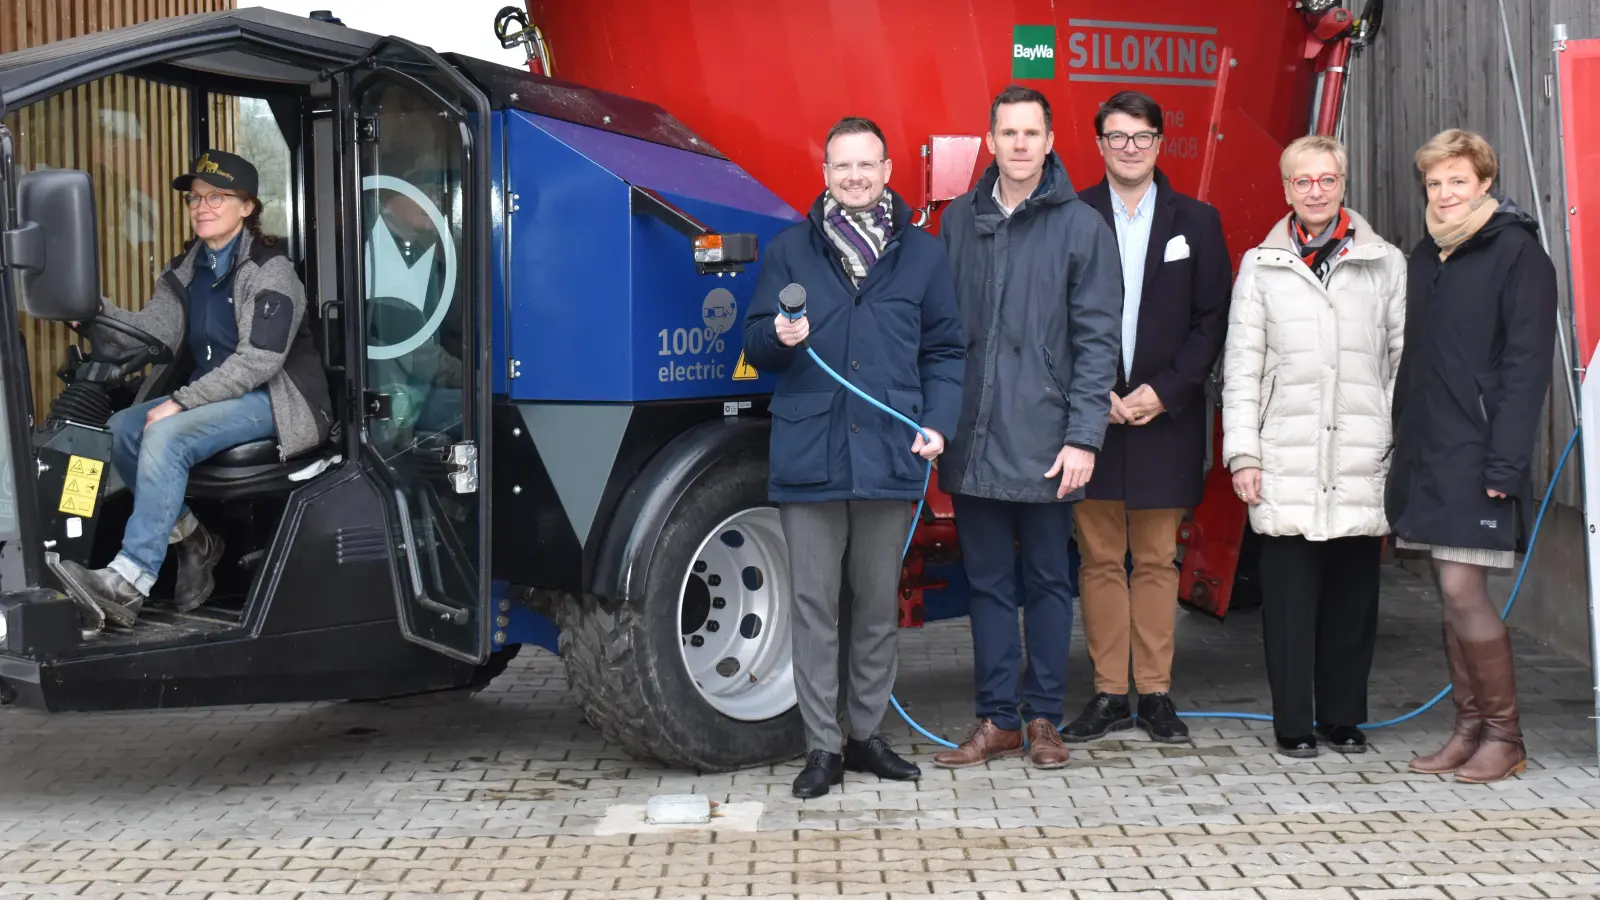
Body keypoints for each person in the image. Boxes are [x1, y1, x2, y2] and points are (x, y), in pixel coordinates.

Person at [741, 116, 965, 798]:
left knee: (874, 605)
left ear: (888, 171)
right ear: (826, 174)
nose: (856, 176)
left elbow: (947, 349)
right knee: (814, 605)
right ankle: (822, 748)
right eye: (843, 166)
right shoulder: (790, 249)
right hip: (811, 452)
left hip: (891, 454)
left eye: (868, 165)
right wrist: (779, 335)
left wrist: (937, 423)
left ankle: (865, 736)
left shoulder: (922, 254)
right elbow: (754, 343)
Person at [53, 150, 334, 627]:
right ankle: (195, 542)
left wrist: (182, 401)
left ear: (247, 207)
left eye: (216, 197)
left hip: (274, 401)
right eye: (195, 198)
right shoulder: (187, 270)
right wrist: (91, 311)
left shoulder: (272, 272)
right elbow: (154, 331)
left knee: (165, 432)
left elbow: (260, 361)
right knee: (123, 427)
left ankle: (129, 580)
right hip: (216, 396)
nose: (201, 206)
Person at [932, 85, 1123, 769]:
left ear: (1049, 142)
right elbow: (943, 332)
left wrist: (1084, 436)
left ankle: (1043, 718)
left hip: (1048, 442)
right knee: (986, 583)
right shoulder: (958, 221)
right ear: (990, 141)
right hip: (977, 436)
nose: (1018, 144)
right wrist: (938, 420)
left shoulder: (1082, 229)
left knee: (1046, 580)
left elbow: (1098, 343)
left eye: (1030, 133)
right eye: (1007, 133)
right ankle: (995, 720)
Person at [1220, 134, 1406, 759]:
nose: (1316, 191)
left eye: (1327, 180)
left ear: (1343, 183)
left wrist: (1395, 444)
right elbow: (1242, 366)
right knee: (1291, 605)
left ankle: (1344, 717)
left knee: (1352, 602)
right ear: (1286, 189)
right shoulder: (1260, 265)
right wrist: (1242, 454)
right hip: (1287, 454)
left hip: (1360, 451)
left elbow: (1403, 362)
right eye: (1304, 182)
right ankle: (1295, 722)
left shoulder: (1386, 264)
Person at [1387, 129, 1556, 784]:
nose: (1445, 193)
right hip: (1431, 452)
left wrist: (1505, 466)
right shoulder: (1425, 257)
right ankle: (1467, 729)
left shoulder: (1518, 254)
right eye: (1434, 182)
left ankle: (1505, 736)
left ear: (1485, 181)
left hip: (1483, 454)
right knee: (1446, 590)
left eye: (1458, 180)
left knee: (1463, 588)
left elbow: (1526, 369)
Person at [1066, 90, 1232, 745]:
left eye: (1141, 136)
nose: (1129, 146)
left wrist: (1164, 392)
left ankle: (1156, 696)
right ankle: (1109, 695)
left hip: (1167, 416)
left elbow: (1211, 318)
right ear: (1100, 144)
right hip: (1092, 420)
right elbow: (1052, 316)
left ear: (1160, 143)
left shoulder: (1198, 221)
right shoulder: (1070, 216)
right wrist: (1092, 392)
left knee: (1159, 559)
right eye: (1116, 136)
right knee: (1101, 559)